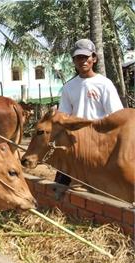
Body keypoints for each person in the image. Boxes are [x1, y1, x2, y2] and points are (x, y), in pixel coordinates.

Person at [55, 38, 124, 187]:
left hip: (100, 141)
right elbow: (63, 117)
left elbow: (116, 116)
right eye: (78, 58)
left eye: (86, 57)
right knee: (61, 184)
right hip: (76, 142)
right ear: (74, 61)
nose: (82, 61)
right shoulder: (69, 87)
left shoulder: (104, 84)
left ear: (94, 58)